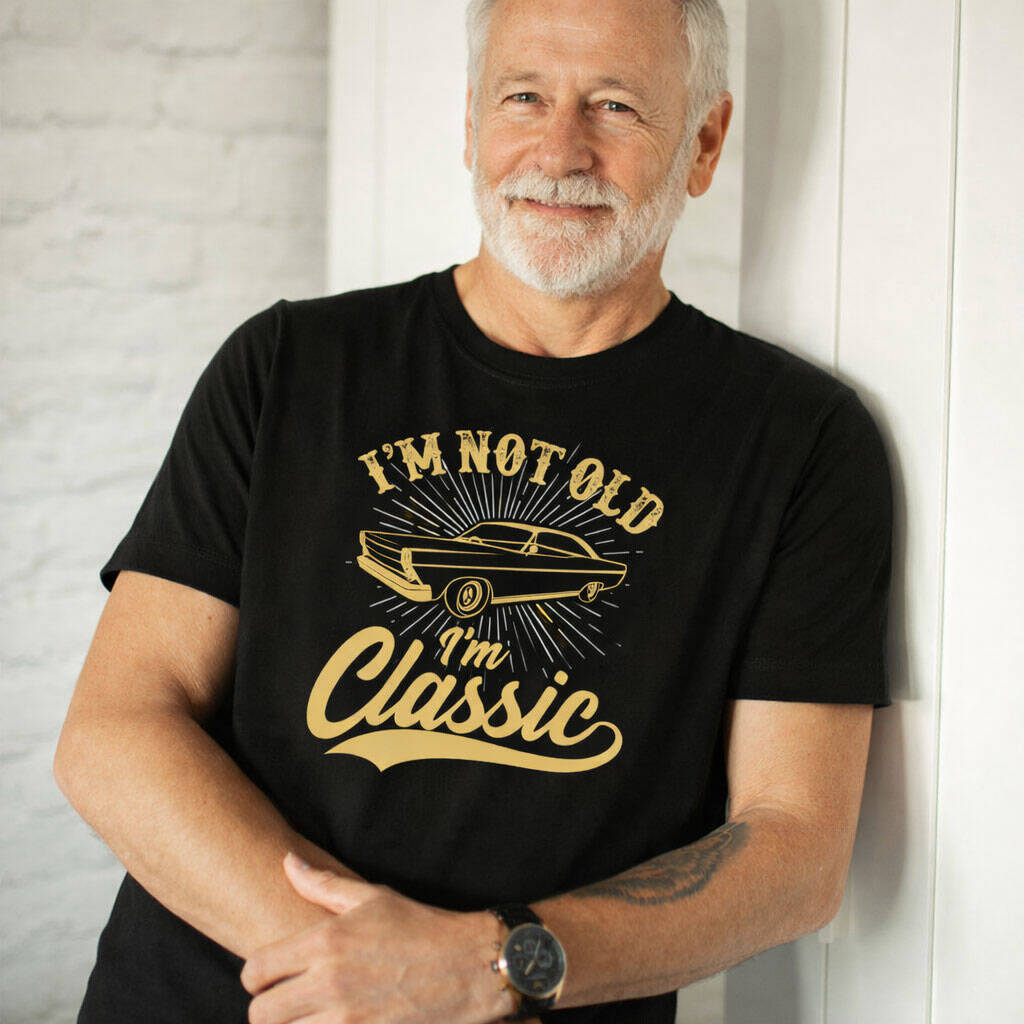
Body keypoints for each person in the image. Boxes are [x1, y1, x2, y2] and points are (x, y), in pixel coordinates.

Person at [54, 0, 893, 1021]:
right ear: (469, 122)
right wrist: (369, 972)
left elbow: (795, 850)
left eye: (616, 105)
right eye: (523, 97)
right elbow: (114, 730)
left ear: (704, 144)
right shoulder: (287, 367)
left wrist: (491, 967)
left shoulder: (799, 440)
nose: (559, 150)